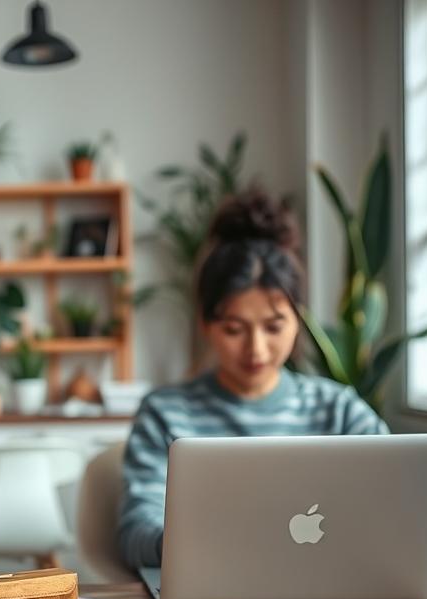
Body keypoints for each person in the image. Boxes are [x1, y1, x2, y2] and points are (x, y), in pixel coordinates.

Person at [119, 188, 388, 570]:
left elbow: (398, 499)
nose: (256, 349)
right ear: (205, 325)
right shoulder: (165, 414)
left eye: (274, 326)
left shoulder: (339, 410)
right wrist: (180, 543)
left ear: (299, 321)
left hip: (331, 595)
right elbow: (133, 532)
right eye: (234, 329)